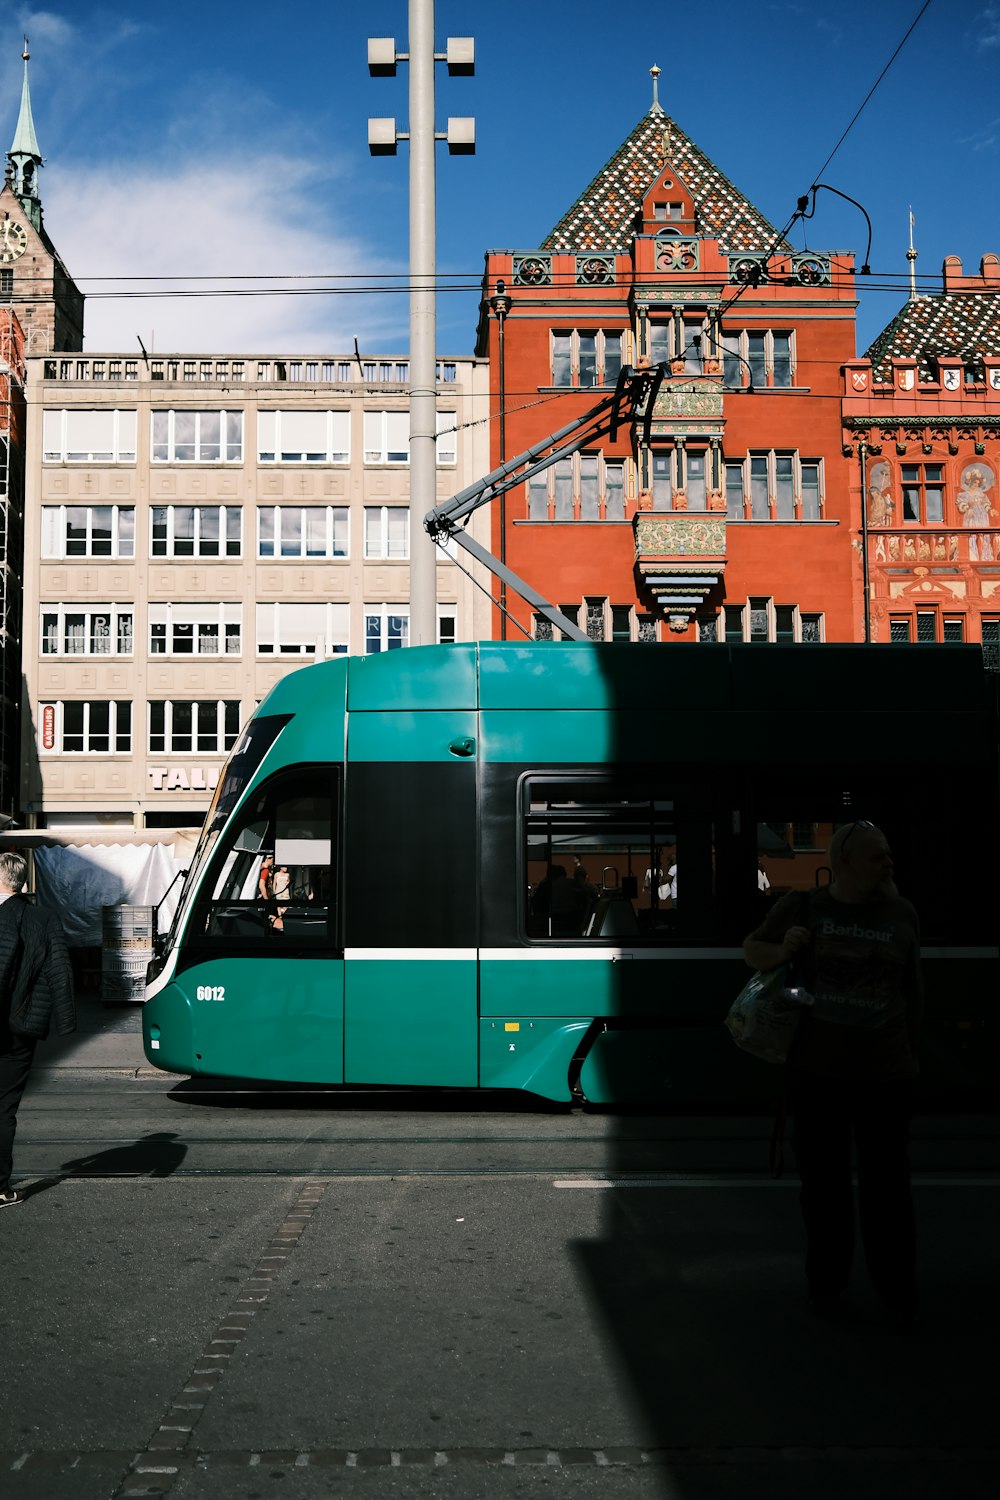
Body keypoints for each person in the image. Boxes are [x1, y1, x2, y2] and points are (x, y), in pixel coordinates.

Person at [742, 821, 922, 1332]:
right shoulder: (802, 907)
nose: (888, 864)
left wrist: (913, 1057)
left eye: (888, 856)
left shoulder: (902, 913)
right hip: (818, 1075)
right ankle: (827, 1285)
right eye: (877, 857)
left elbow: (914, 991)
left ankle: (899, 1292)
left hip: (887, 1075)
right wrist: (783, 951)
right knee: (824, 1191)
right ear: (843, 861)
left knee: (889, 1192)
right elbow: (752, 950)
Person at [0, 852, 75, 1209]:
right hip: (19, 1027)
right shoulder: (43, 918)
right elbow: (60, 969)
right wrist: (67, 1021)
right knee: (4, 1107)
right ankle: (0, 1187)